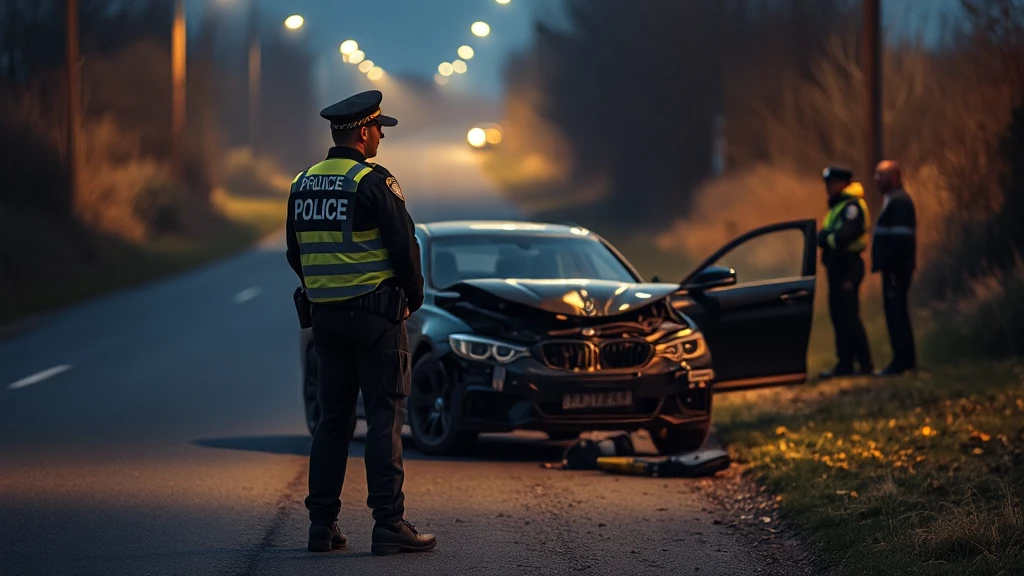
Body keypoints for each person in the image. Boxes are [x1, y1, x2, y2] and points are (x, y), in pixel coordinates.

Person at [285, 90, 434, 556]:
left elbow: (296, 253)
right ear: (364, 131)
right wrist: (412, 298)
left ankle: (322, 526)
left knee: (333, 422)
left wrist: (326, 287)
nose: (382, 136)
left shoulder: (303, 183)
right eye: (379, 129)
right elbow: (404, 248)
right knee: (385, 418)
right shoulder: (373, 181)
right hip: (376, 319)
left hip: (326, 321)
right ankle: (389, 524)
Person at [817, 166, 874, 378]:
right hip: (837, 266)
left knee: (849, 315)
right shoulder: (839, 206)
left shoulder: (852, 206)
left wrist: (825, 239)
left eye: (831, 184)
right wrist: (828, 237)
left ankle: (864, 363)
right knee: (838, 315)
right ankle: (845, 363)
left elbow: (843, 237)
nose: (828, 188)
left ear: (842, 183)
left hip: (848, 266)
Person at [870, 160, 917, 376]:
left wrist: (888, 265)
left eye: (883, 175)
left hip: (896, 269)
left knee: (896, 313)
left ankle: (901, 361)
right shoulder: (893, 200)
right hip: (894, 268)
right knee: (896, 313)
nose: (877, 179)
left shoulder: (899, 202)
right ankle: (905, 359)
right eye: (877, 175)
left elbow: (900, 239)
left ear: (897, 177)